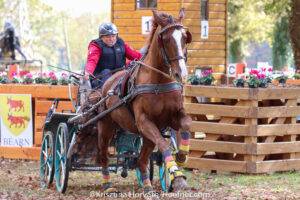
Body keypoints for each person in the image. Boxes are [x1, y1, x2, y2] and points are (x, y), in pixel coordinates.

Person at [84, 22, 142, 88]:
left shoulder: (120, 43)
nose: (111, 39)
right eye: (108, 37)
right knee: (106, 72)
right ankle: (106, 95)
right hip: (100, 78)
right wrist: (88, 72)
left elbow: (134, 55)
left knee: (131, 67)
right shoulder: (96, 46)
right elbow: (92, 60)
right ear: (101, 37)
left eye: (113, 36)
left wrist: (145, 58)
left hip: (119, 75)